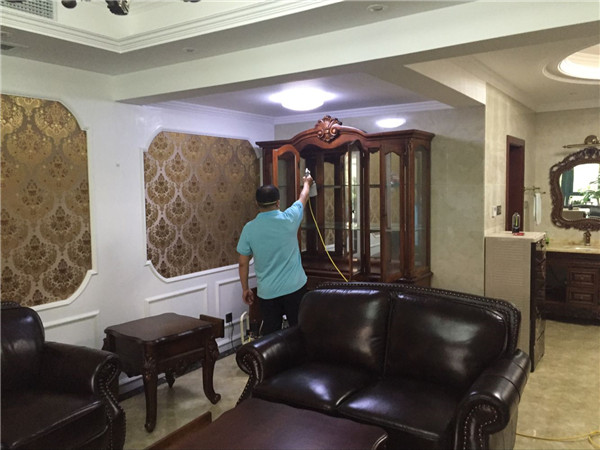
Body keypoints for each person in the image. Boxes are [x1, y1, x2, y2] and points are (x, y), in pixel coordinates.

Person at [237, 174, 313, 336]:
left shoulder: (249, 229)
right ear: (278, 203)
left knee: (272, 336)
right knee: (299, 331)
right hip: (295, 288)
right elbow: (303, 196)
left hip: (267, 292)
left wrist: (245, 288)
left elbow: (243, 263)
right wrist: (307, 182)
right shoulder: (290, 218)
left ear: (257, 204)